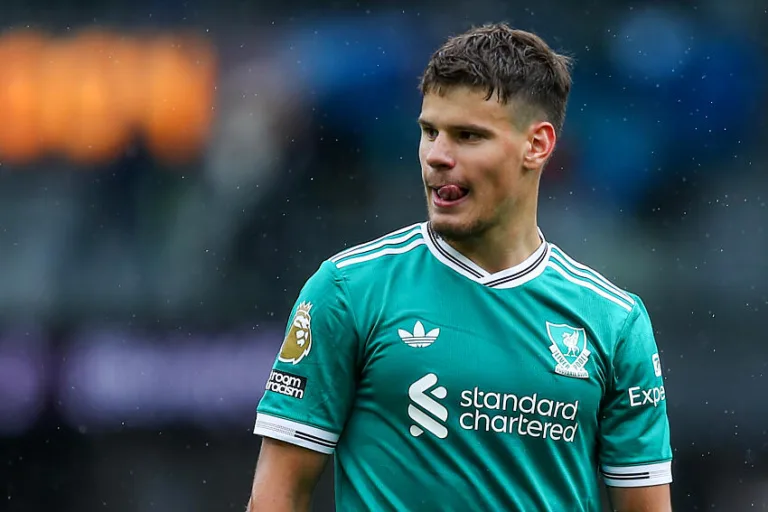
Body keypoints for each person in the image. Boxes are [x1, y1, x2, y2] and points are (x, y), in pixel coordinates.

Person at [247, 22, 673, 512]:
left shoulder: (614, 321)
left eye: (468, 136)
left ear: (537, 145)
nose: (437, 156)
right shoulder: (348, 290)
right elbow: (277, 495)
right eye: (429, 132)